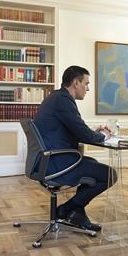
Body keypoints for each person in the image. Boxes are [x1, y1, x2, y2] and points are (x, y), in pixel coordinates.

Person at [34, 65, 117, 232]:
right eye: (86, 84)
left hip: (47, 160)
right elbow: (83, 133)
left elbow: (77, 130)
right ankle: (66, 210)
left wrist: (94, 133)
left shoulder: (57, 98)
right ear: (75, 83)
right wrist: (104, 136)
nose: (87, 89)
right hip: (57, 163)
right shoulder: (63, 100)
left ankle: (76, 211)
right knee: (109, 174)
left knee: (92, 164)